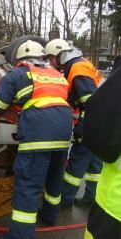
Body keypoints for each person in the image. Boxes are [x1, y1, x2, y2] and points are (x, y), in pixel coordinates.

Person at [0, 40, 73, 239]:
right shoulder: (57, 75)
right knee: (54, 179)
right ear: (42, 58)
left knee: (28, 187)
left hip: (39, 133)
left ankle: (20, 235)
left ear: (20, 60)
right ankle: (49, 216)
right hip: (64, 132)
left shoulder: (18, 74)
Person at [45, 39, 103, 208]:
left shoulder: (77, 69)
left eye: (51, 58)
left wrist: (82, 126)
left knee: (76, 163)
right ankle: (91, 198)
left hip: (93, 123)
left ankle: (65, 200)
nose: (50, 63)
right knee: (94, 165)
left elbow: (91, 102)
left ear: (60, 55)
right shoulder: (80, 64)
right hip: (102, 121)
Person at [83, 56, 121, 239]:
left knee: (79, 167)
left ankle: (67, 202)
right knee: (92, 168)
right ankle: (86, 195)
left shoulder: (76, 70)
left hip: (114, 209)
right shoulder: (85, 66)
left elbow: (100, 137)